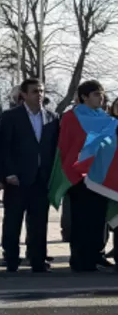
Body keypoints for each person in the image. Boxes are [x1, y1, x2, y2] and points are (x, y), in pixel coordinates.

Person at [0, 78, 59, 272]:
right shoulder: (10, 117)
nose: (39, 94)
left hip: (41, 179)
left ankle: (38, 259)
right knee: (13, 221)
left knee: (39, 222)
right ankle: (12, 259)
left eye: (41, 91)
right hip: (18, 179)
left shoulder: (52, 117)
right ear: (23, 95)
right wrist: (8, 173)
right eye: (34, 91)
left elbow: (53, 149)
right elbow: (3, 148)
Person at [65, 80, 109, 272]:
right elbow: (65, 145)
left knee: (98, 219)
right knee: (81, 218)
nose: (101, 98)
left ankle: (95, 255)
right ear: (84, 97)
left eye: (102, 94)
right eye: (97, 94)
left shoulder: (104, 117)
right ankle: (79, 258)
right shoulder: (71, 117)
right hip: (80, 176)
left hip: (101, 176)